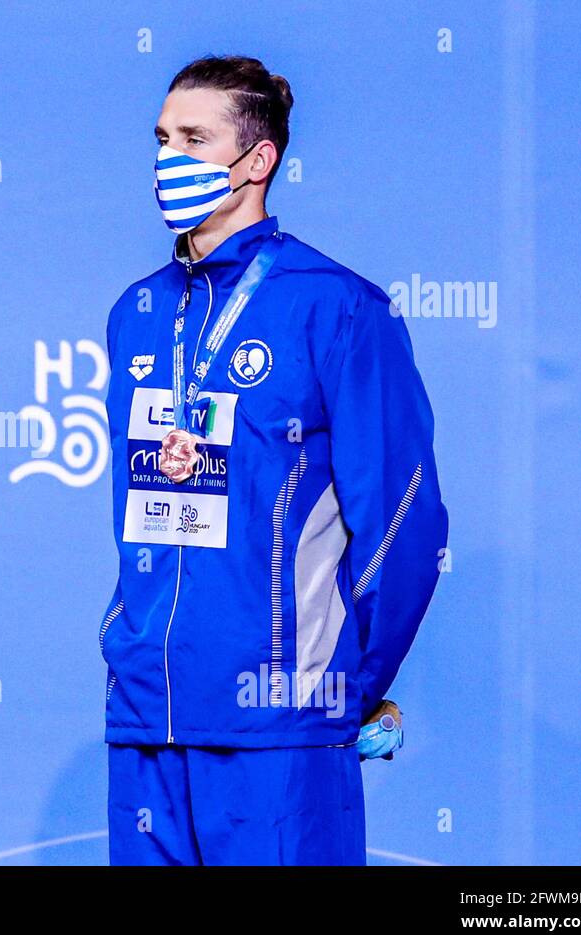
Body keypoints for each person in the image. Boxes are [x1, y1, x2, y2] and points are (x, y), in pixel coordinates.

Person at [98, 55, 449, 865]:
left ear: (257, 161)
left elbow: (402, 519)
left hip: (281, 728)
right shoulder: (138, 313)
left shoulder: (336, 307)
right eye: (160, 139)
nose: (166, 160)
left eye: (194, 138)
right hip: (148, 718)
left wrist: (341, 690)